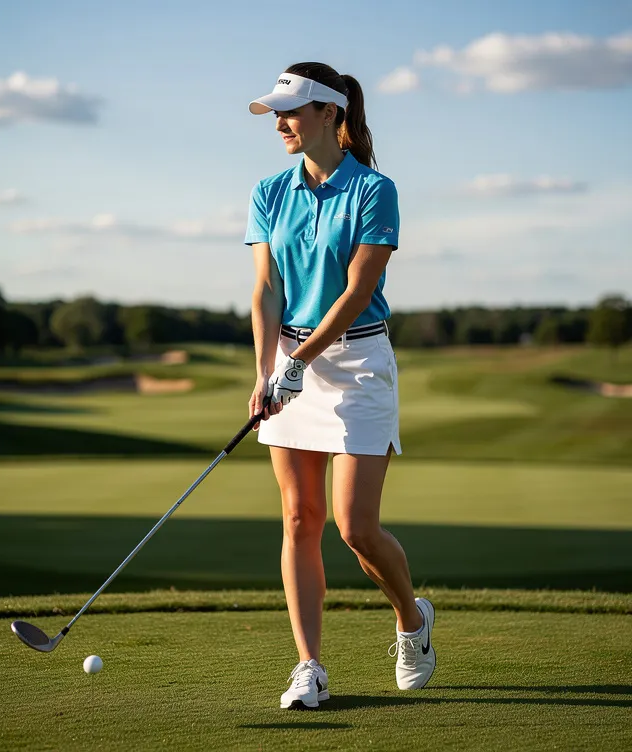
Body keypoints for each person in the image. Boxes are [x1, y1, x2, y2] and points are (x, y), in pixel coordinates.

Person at [244, 62, 434, 710]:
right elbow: (266, 289)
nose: (279, 123)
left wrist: (298, 366)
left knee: (355, 528)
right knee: (300, 518)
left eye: (290, 111)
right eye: (275, 112)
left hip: (357, 364)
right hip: (292, 356)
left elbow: (356, 293)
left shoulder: (375, 190)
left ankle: (412, 620)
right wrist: (268, 369)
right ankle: (309, 666)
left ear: (330, 112)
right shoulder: (269, 190)